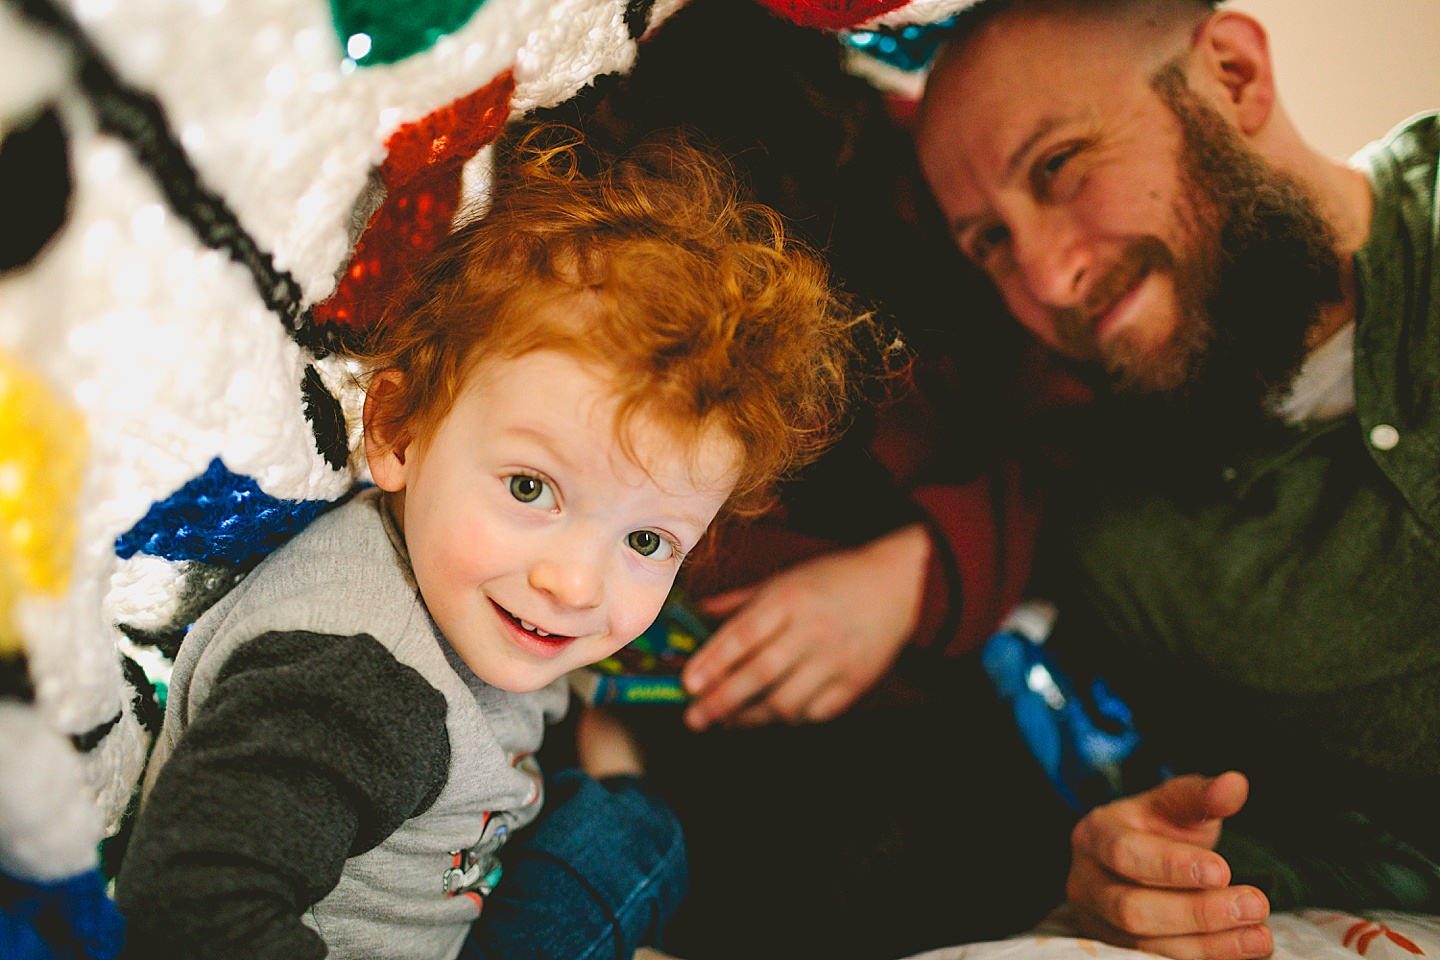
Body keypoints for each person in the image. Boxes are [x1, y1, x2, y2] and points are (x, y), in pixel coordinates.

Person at [112, 125, 866, 960]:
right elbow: (184, 910)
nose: (577, 584)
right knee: (638, 845)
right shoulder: (356, 684)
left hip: (459, 886)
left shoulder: (467, 585)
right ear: (397, 431)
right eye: (530, 489)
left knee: (620, 824)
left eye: (648, 539)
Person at [915, 2, 1440, 959]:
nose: (1043, 276)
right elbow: (1315, 840)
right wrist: (1146, 870)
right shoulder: (1132, 537)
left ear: (1234, 75)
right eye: (988, 243)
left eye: (1059, 166)